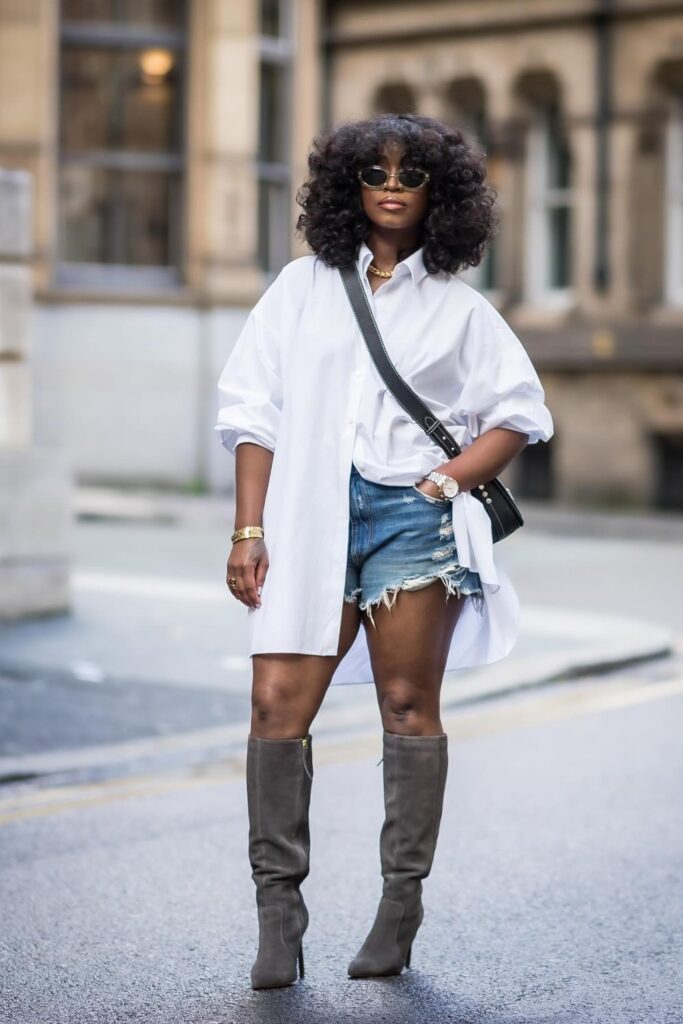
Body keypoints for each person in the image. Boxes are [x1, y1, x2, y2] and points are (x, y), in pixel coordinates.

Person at [214, 113, 554, 990]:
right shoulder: (300, 288)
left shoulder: (458, 305)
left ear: (440, 193)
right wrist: (248, 528)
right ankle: (277, 918)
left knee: (406, 703)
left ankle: (399, 906)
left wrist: (443, 482)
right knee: (274, 706)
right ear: (348, 188)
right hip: (306, 515)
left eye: (411, 173)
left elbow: (519, 409)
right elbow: (254, 412)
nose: (392, 184)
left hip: (411, 523)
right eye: (374, 171)